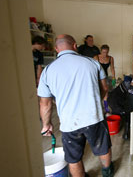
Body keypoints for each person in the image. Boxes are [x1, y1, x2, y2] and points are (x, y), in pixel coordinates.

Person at [38, 34, 114, 177]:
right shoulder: (92, 63)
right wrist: (96, 100)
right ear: (75, 46)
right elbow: (104, 88)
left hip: (69, 123)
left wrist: (46, 124)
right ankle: (107, 172)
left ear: (56, 49)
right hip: (94, 117)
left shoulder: (47, 71)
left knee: (74, 158)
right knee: (103, 148)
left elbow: (45, 103)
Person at [94, 44, 116, 115]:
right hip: (97, 77)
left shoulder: (110, 58)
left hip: (105, 77)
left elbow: (112, 68)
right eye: (103, 52)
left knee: (106, 92)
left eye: (106, 52)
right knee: (98, 93)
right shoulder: (96, 57)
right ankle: (98, 108)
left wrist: (113, 78)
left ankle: (106, 108)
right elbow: (93, 68)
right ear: (101, 51)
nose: (105, 54)